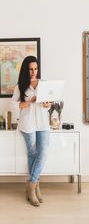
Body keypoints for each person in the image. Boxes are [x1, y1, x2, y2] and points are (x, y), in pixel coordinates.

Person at [11, 56, 51, 207]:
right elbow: (14, 105)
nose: (33, 72)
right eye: (30, 69)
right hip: (27, 124)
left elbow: (48, 105)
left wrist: (47, 104)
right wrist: (29, 102)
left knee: (43, 154)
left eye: (35, 69)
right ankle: (35, 189)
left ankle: (31, 184)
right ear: (26, 70)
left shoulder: (44, 84)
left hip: (43, 123)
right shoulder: (20, 86)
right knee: (33, 154)